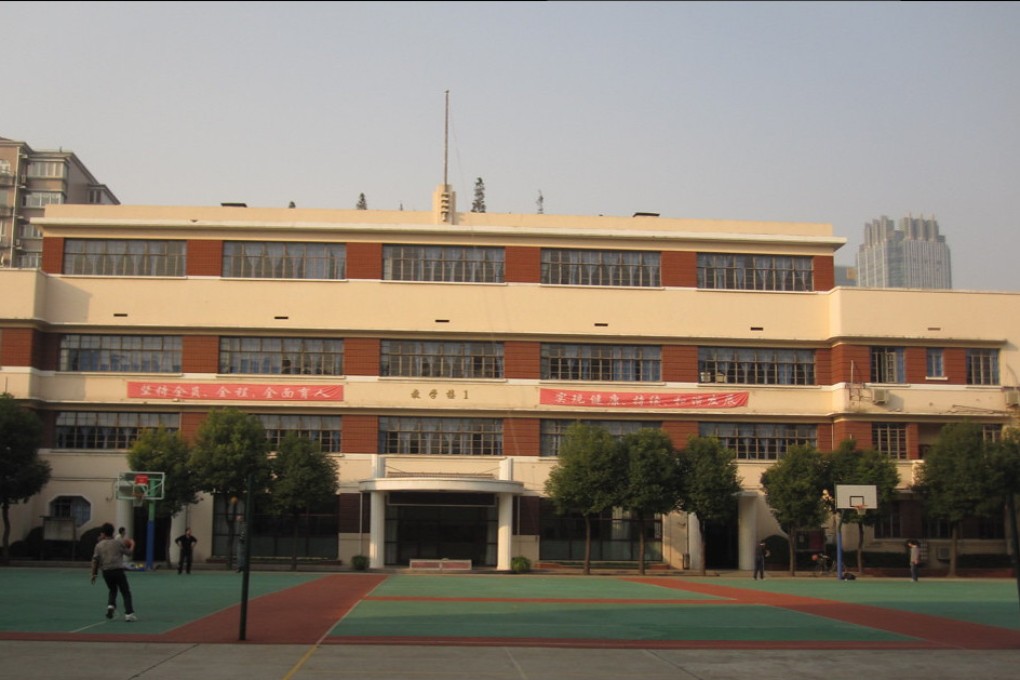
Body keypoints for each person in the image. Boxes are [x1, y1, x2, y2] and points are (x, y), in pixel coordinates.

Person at [90, 522, 137, 621]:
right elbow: (129, 553)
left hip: (106, 571)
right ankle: (129, 614)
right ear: (112, 532)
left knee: (112, 589)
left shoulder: (99, 545)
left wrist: (94, 574)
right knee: (125, 592)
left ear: (103, 533)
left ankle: (111, 606)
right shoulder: (118, 543)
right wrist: (132, 544)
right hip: (118, 570)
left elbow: (95, 560)